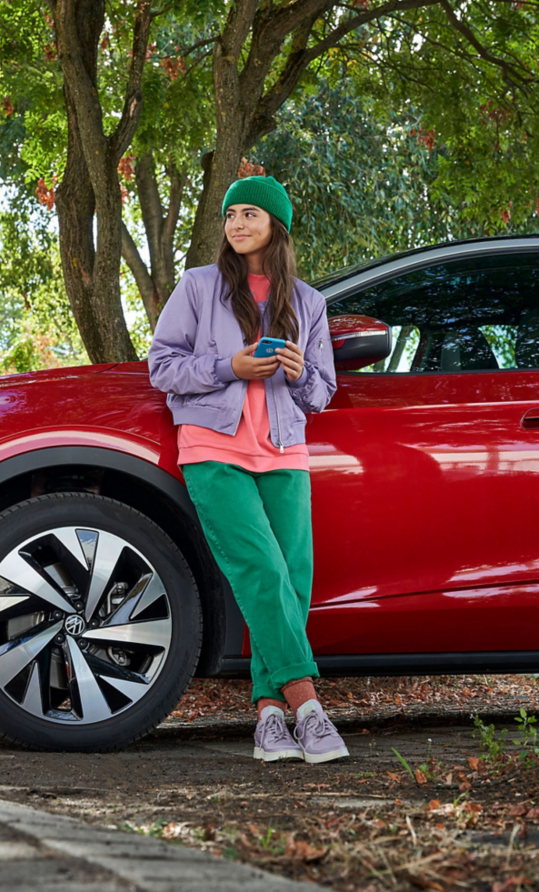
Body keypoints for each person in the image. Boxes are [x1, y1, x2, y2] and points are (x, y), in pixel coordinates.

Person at [148, 174, 348, 764]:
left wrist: (296, 371)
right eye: (231, 215)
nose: (236, 224)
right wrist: (229, 366)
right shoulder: (198, 286)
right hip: (213, 449)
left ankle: (268, 719)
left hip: (285, 452)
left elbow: (321, 393)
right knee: (261, 570)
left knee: (291, 583)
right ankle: (308, 705)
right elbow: (162, 367)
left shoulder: (308, 301)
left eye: (249, 214)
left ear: (275, 225)